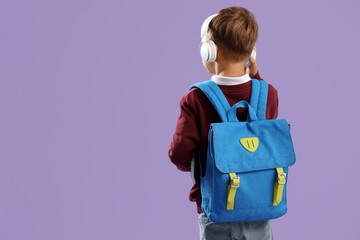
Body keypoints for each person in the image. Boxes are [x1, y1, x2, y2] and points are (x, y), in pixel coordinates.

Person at [168, 6, 278, 240]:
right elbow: (262, 132)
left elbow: (179, 155)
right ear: (252, 54)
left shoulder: (195, 99)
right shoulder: (269, 93)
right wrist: (256, 77)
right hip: (259, 207)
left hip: (216, 212)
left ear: (210, 51)